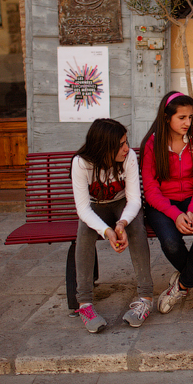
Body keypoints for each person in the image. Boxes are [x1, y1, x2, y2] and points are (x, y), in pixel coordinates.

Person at [70, 118, 154, 333]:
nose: (127, 148)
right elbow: (83, 209)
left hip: (122, 205)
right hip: (96, 206)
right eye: (121, 145)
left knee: (136, 228)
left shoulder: (129, 158)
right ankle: (85, 304)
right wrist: (107, 231)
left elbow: (135, 199)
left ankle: (145, 297)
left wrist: (122, 223)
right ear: (104, 147)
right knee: (84, 232)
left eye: (126, 142)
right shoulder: (81, 163)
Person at [141, 91, 193, 314]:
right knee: (171, 242)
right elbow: (151, 189)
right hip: (163, 204)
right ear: (167, 117)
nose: (188, 122)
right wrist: (175, 214)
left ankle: (183, 284)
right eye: (182, 117)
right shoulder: (152, 144)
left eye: (190, 117)